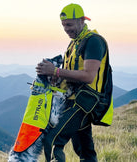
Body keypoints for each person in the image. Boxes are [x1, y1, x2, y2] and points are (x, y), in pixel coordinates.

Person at [36, 3, 111, 162]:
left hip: (85, 102)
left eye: (69, 24)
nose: (66, 29)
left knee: (53, 140)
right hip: (74, 101)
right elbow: (72, 73)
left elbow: (88, 76)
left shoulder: (93, 41)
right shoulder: (74, 43)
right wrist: (57, 77)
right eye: (63, 26)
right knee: (85, 150)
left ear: (82, 21)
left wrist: (55, 71)